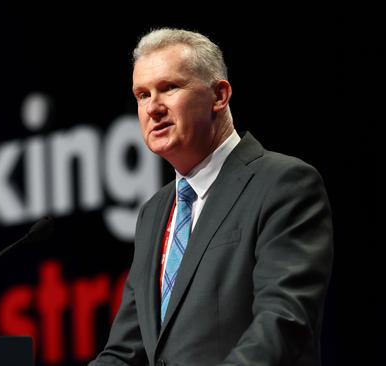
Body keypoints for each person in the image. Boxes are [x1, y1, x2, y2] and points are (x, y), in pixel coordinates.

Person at [89, 28, 333, 366]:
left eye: (169, 88)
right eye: (142, 95)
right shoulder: (154, 213)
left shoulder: (283, 183)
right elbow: (125, 351)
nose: (153, 107)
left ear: (219, 95)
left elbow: (283, 322)